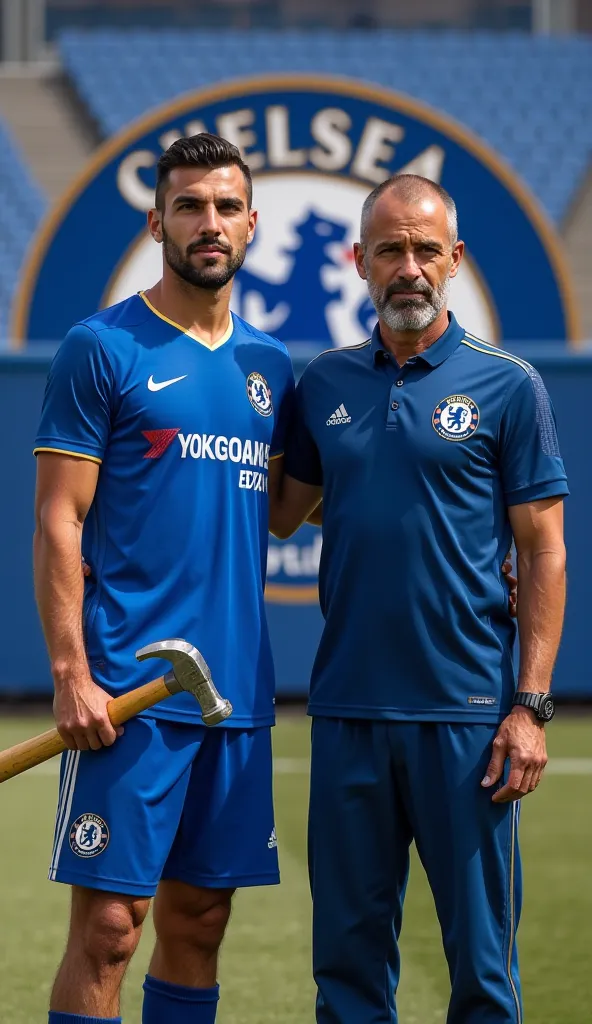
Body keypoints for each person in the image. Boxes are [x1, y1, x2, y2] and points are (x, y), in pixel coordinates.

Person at [270, 174, 568, 1023]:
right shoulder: (321, 385)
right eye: (391, 249)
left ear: (455, 260)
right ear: (357, 259)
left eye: (426, 249)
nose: (409, 267)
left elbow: (543, 551)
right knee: (348, 974)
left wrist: (531, 706)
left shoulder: (510, 386)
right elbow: (278, 514)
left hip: (469, 718)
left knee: (482, 975)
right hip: (349, 708)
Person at [33, 134, 297, 1024]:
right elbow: (59, 519)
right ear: (157, 221)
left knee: (200, 918)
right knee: (111, 926)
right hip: (128, 690)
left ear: (253, 225)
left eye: (225, 207)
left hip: (236, 695)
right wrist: (73, 675)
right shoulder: (101, 347)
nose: (208, 223)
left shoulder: (272, 367)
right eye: (188, 205)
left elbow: (307, 507)